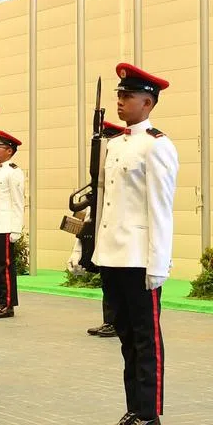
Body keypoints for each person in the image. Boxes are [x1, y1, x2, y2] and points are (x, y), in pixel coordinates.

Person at [92, 63, 178, 425]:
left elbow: (160, 208)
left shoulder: (158, 145)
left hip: (140, 257)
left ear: (148, 102)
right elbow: (108, 204)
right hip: (114, 255)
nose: (120, 101)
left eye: (128, 96)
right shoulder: (117, 144)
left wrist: (158, 264)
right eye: (120, 95)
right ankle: (133, 409)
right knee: (126, 337)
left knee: (146, 340)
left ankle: (149, 416)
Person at [84, 120, 127, 337]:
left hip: (123, 231)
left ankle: (117, 321)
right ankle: (109, 320)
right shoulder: (104, 167)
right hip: (105, 227)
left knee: (119, 283)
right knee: (107, 279)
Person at [0, 130, 24, 319]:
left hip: (5, 227)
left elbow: (18, 202)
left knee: (5, 268)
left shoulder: (14, 172)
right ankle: (2, 302)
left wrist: (16, 228)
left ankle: (7, 305)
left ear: (9, 151)